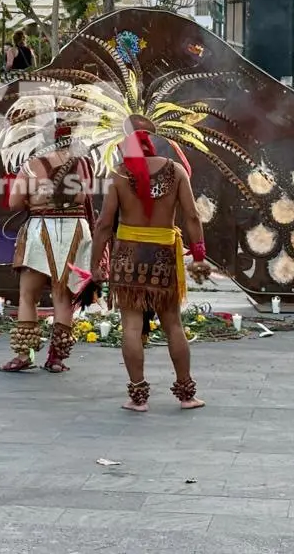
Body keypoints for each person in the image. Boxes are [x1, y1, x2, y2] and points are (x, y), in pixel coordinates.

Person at [89, 123, 210, 412]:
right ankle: (186, 395)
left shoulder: (119, 174)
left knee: (131, 325)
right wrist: (199, 254)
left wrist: (96, 264)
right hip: (163, 257)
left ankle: (138, 398)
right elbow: (192, 216)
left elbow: (105, 224)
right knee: (173, 325)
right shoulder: (176, 171)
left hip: (127, 257)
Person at [0, 105, 94, 374]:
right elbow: (84, 198)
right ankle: (56, 359)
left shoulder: (32, 165)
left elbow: (14, 202)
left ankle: (23, 354)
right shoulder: (84, 164)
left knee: (28, 295)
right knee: (62, 296)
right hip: (76, 229)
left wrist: (34, 198)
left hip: (41, 229)